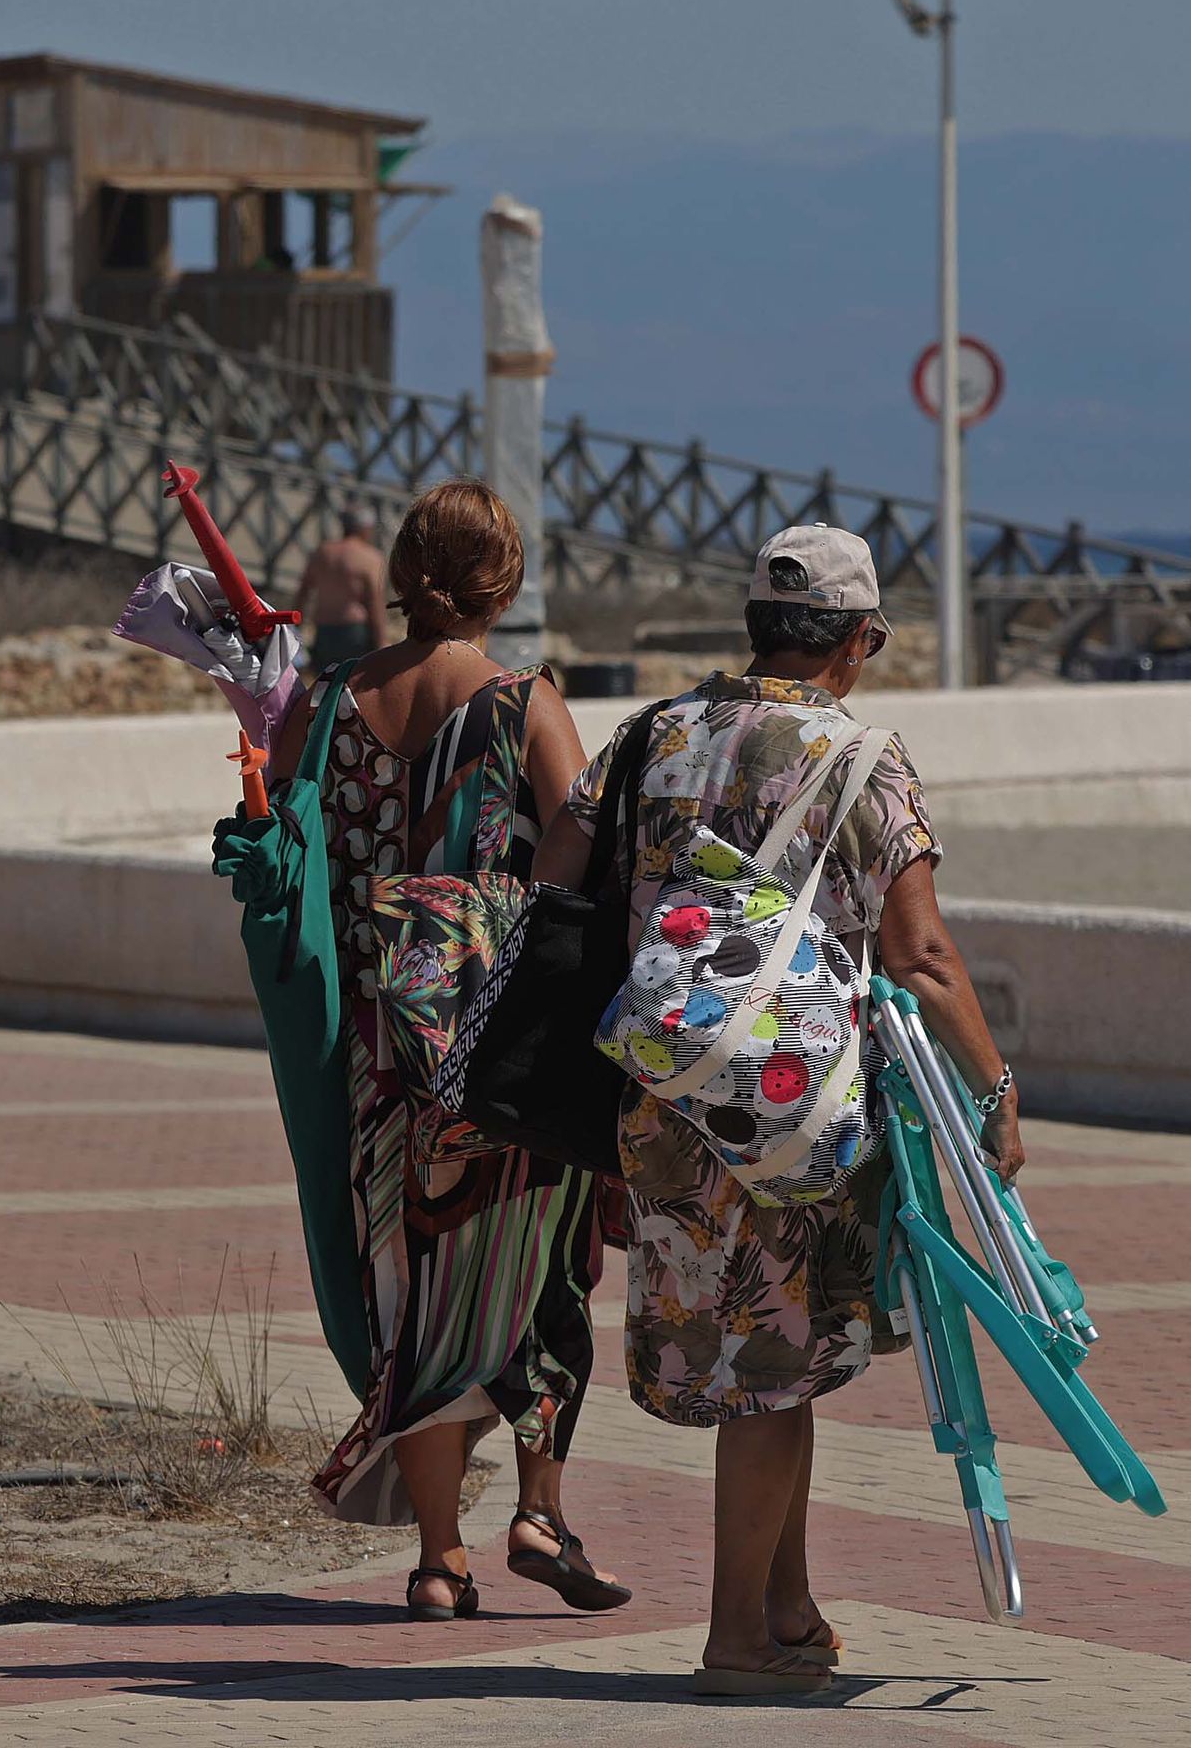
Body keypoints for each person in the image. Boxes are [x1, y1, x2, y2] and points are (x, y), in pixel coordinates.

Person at [534, 523, 1026, 1696]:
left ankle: (788, 1607)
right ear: (857, 642)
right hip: (792, 1114)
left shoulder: (652, 733)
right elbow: (922, 956)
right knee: (773, 1370)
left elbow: (554, 872)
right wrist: (993, 1092)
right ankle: (734, 1639)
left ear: (757, 627)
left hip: (660, 1099)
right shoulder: (858, 755)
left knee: (776, 1365)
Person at [270, 478, 630, 1622]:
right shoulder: (524, 699)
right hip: (501, 1045)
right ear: (504, 586)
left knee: (413, 1294)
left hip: (383, 1055)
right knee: (541, 1277)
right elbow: (576, 834)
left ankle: (437, 1559)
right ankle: (536, 1507)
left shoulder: (330, 703)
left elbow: (290, 837)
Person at [295, 508, 390, 672]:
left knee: (323, 685)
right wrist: (381, 640)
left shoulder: (322, 552)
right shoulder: (370, 557)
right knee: (351, 687)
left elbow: (303, 593)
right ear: (365, 529)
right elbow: (375, 602)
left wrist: (294, 628)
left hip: (324, 630)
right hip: (354, 632)